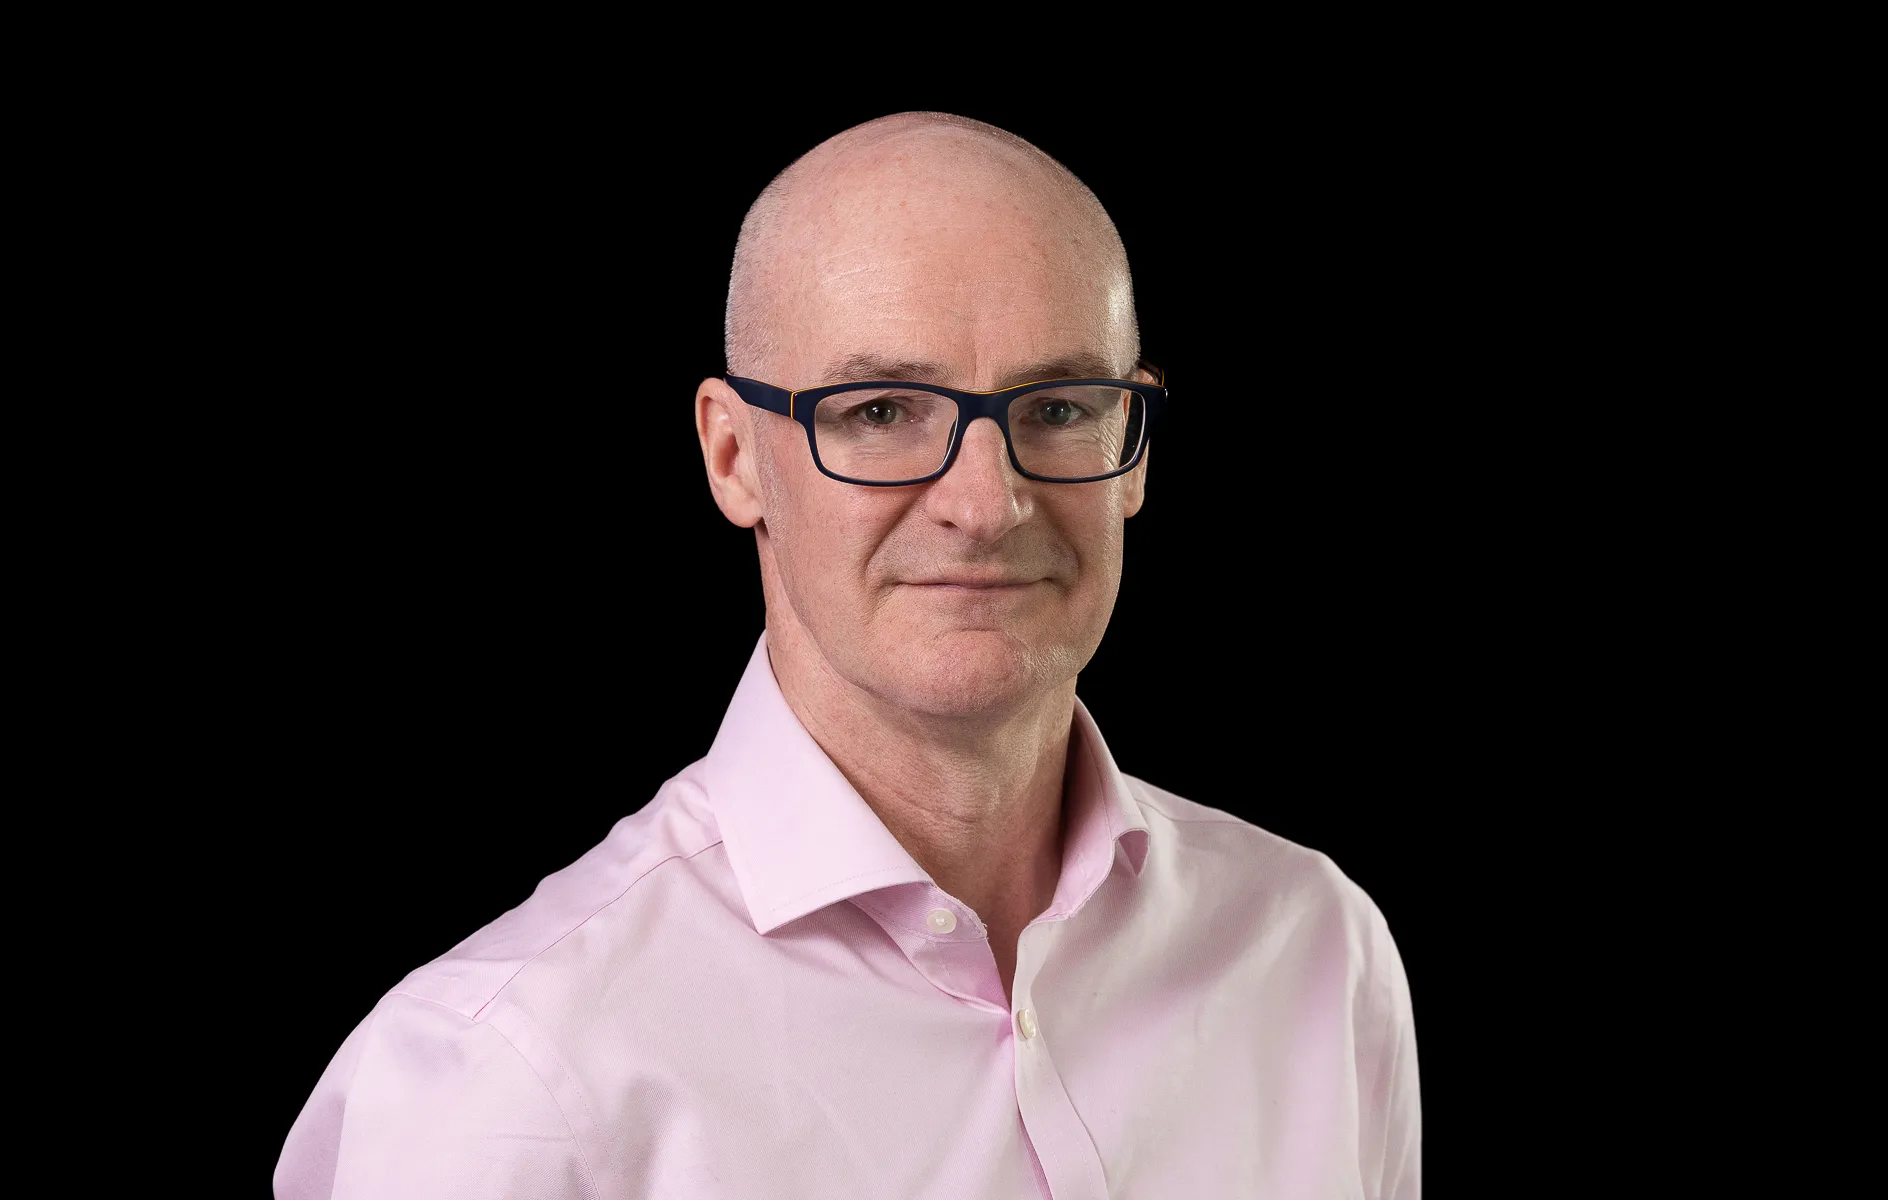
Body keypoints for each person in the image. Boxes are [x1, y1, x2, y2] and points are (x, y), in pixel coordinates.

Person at [274, 110, 1420, 1199]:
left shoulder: (1315, 948)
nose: (988, 501)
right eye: (881, 411)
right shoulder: (503, 1084)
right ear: (733, 457)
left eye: (1061, 407)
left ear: (1135, 450)